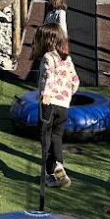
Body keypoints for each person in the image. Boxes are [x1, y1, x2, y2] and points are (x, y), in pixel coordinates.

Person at [32, 22, 79, 188]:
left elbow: (48, 76)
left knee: (45, 138)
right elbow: (75, 81)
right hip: (63, 106)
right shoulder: (67, 59)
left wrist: (46, 95)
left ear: (46, 41)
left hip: (48, 104)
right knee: (56, 137)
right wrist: (66, 96)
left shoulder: (48, 57)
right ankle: (58, 165)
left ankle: (47, 174)